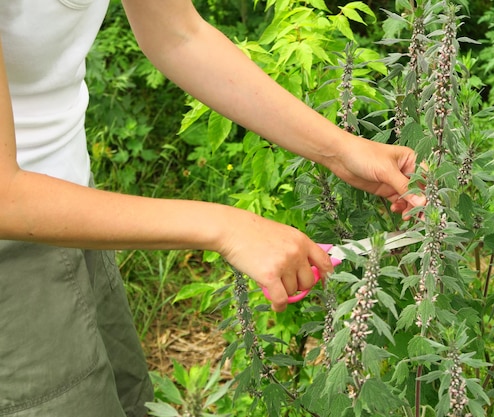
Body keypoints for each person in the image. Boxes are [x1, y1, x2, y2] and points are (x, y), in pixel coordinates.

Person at [0, 0, 425, 416]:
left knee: (126, 396)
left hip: (75, 203)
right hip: (13, 250)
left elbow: (178, 34)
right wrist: (225, 227)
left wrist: (340, 150)